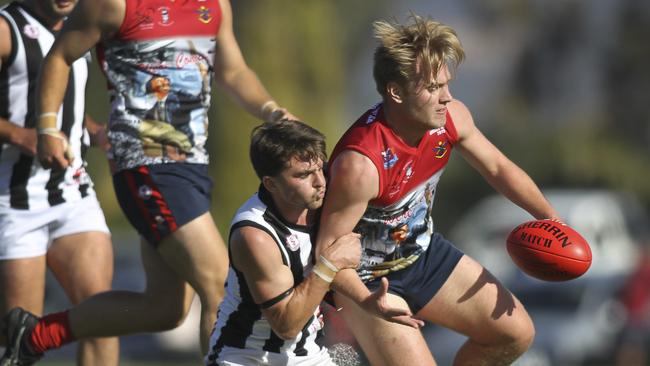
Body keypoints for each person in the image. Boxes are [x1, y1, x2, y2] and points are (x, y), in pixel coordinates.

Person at [1, 0, 295, 364]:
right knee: (221, 287)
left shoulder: (214, 5)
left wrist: (272, 111)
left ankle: (33, 334)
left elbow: (232, 70)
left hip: (192, 167)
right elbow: (59, 57)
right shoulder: (114, 5)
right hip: (145, 166)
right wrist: (46, 126)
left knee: (165, 309)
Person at [315, 14, 562, 366]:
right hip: (369, 281)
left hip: (424, 255)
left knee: (515, 335)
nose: (446, 98)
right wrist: (365, 301)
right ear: (395, 92)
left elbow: (498, 168)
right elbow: (327, 253)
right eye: (433, 88)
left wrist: (549, 217)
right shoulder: (361, 165)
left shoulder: (451, 118)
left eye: (446, 84)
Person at [0, 0, 118, 365]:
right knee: (21, 339)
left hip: (73, 192)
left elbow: (61, 98)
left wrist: (95, 130)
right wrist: (21, 135)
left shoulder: (79, 24)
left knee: (101, 319)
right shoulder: (7, 28)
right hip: (13, 200)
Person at [205, 120, 361, 365]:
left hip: (309, 356)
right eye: (304, 175)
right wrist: (329, 264)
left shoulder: (324, 198)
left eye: (321, 168)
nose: (320, 182)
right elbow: (286, 325)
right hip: (247, 357)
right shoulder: (255, 234)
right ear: (271, 184)